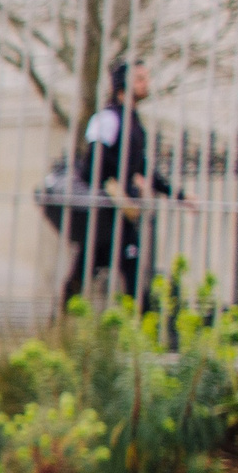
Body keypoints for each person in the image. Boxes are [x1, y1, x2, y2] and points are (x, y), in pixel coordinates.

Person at [61, 59, 186, 306]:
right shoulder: (108, 118)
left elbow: (140, 165)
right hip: (107, 212)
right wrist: (116, 184)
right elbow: (92, 163)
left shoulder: (133, 121)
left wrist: (178, 194)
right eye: (140, 79)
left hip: (123, 214)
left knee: (127, 272)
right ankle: (64, 320)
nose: (145, 84)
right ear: (123, 85)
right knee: (94, 269)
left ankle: (132, 324)